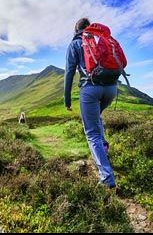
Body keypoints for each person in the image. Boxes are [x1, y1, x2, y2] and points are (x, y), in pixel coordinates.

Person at [64, 17, 117, 189]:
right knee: (95, 120)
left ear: (76, 30)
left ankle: (106, 177)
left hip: (90, 89)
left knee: (91, 133)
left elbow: (69, 73)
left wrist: (67, 100)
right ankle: (103, 143)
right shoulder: (100, 40)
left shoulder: (75, 44)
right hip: (111, 89)